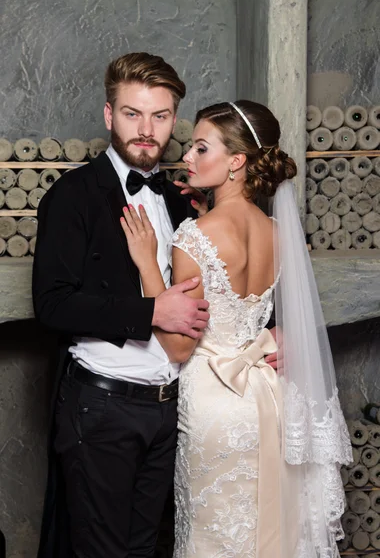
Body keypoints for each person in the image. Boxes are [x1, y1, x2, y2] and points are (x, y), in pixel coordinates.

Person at [120, 99, 353, 557]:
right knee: (265, 525)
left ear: (237, 162)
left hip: (213, 400)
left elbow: (177, 346)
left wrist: (148, 263)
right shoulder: (277, 231)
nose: (186, 157)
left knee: (212, 532)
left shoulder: (194, 235)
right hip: (269, 395)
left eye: (201, 148)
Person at [32, 52, 211, 558]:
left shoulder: (181, 201)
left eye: (159, 116)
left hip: (169, 408)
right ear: (109, 116)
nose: (146, 130)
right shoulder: (73, 196)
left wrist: (273, 332)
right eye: (133, 114)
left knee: (146, 549)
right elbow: (53, 305)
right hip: (102, 408)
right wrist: (150, 313)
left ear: (174, 119)